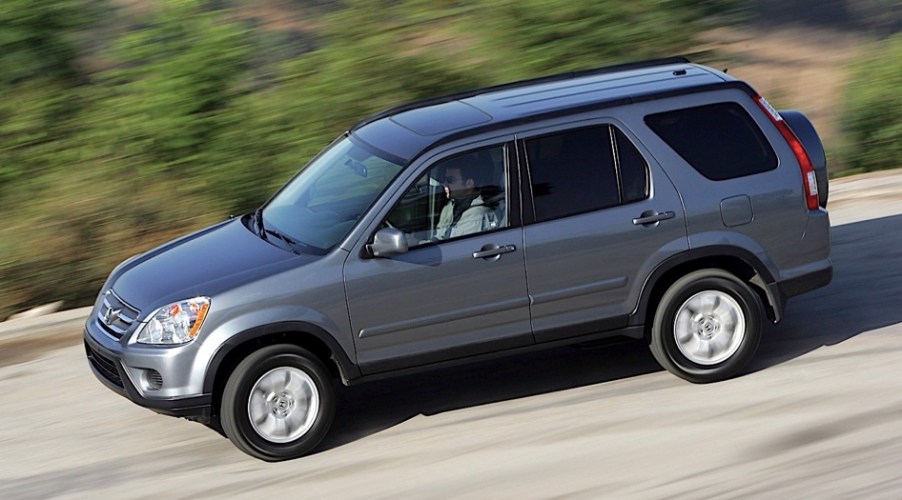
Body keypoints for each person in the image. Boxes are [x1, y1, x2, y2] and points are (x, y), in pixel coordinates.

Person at [433, 159, 498, 240]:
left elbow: (458, 248)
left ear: (469, 183)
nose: (444, 184)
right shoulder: (451, 206)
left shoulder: (478, 215)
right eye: (444, 179)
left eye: (450, 180)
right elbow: (439, 237)